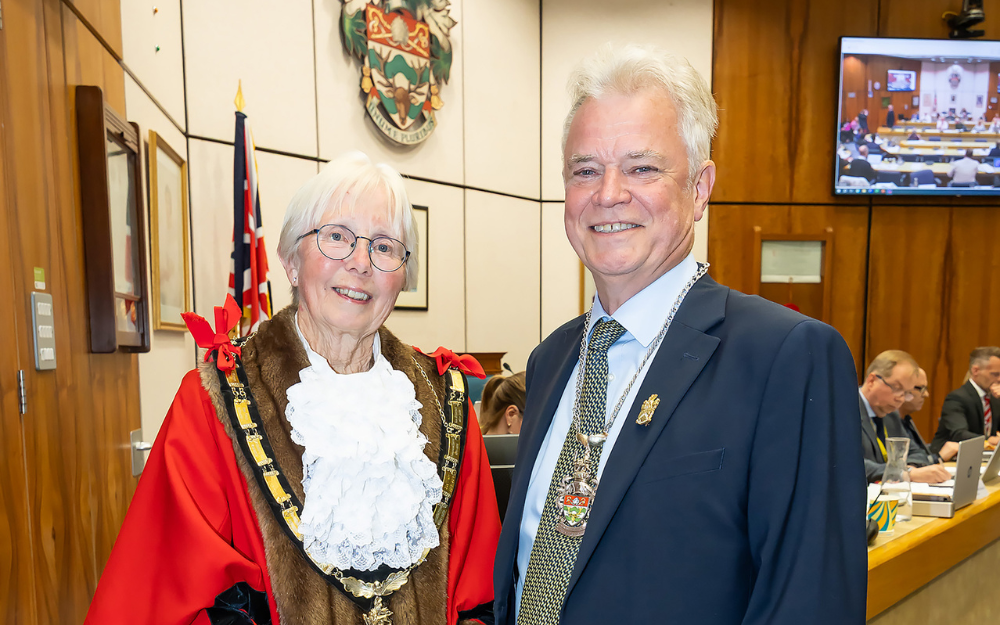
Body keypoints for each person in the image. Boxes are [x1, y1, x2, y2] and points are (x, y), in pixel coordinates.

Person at [493, 43, 866, 625]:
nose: (609, 193)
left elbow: (810, 602)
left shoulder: (784, 358)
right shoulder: (551, 361)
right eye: (585, 170)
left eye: (642, 168)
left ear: (699, 187)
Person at [85, 152, 500, 625]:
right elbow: (167, 594)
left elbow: (479, 596)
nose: (361, 263)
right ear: (290, 260)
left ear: (403, 275)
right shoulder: (212, 402)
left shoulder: (446, 404)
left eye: (385, 246)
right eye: (337, 237)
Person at [857, 350, 949, 484]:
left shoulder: (891, 414)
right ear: (872, 380)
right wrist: (906, 473)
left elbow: (917, 453)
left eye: (907, 393)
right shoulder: (843, 411)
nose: (901, 399)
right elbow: (849, 463)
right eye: (897, 388)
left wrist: (908, 469)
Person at [930, 346, 1000, 453]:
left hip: (982, 457)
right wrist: (988, 440)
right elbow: (959, 434)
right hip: (949, 460)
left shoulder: (995, 399)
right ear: (976, 370)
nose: (999, 379)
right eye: (995, 374)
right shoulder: (957, 398)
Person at [898, 367, 959, 464]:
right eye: (921, 388)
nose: (926, 394)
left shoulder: (906, 419)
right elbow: (904, 462)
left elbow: (917, 453)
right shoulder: (889, 421)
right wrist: (939, 457)